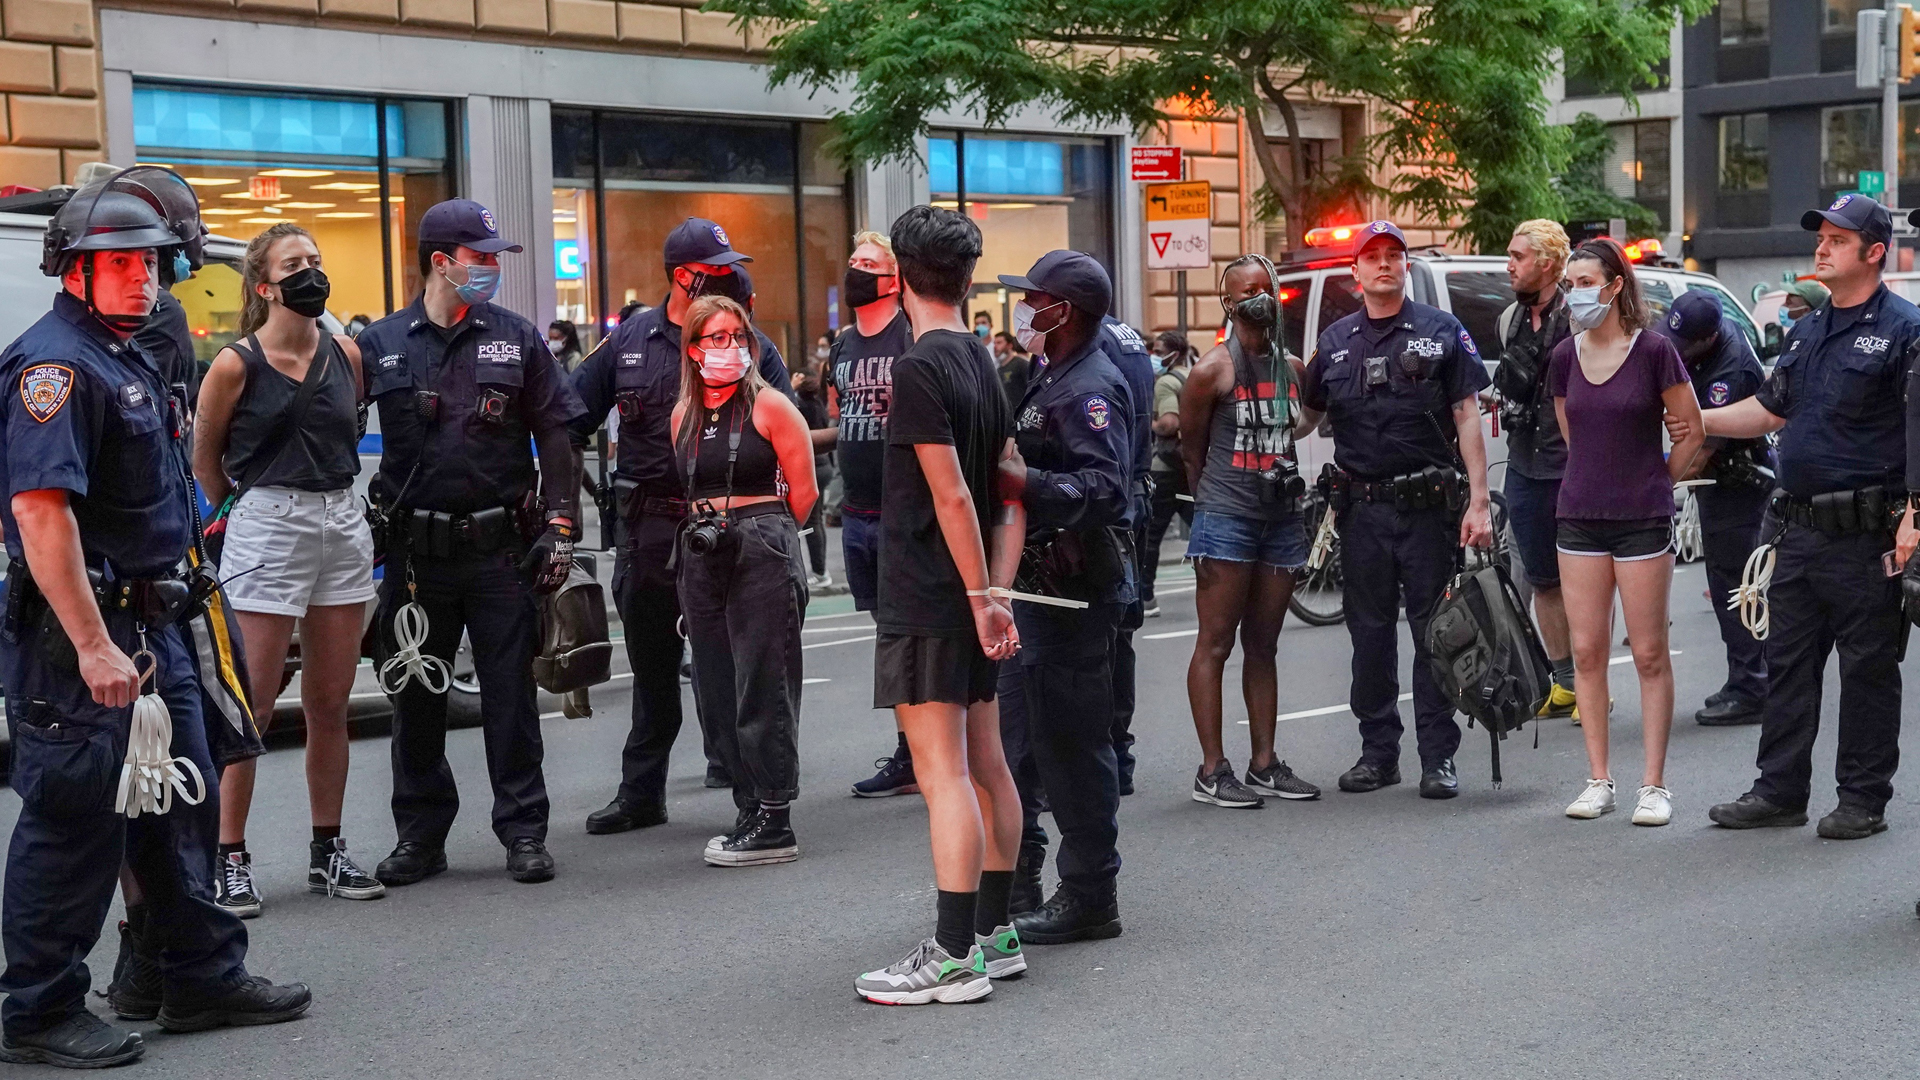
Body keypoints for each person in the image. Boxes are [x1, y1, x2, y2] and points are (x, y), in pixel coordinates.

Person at [0, 173, 308, 1069]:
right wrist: (94, 644)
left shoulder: (127, 350)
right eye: (120, 264)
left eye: (149, 262)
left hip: (157, 626)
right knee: (74, 820)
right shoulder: (54, 367)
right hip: (85, 645)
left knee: (180, 803)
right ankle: (38, 1009)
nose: (142, 277)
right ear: (73, 271)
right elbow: (41, 514)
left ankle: (199, 975)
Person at [357, 199, 583, 887]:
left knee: (510, 697)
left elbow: (558, 435)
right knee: (416, 695)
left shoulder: (517, 339)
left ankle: (522, 830)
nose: (490, 269)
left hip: (498, 549)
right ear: (441, 263)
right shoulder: (381, 344)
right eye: (481, 258)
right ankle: (420, 837)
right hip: (415, 556)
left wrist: (560, 525)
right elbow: (331, 431)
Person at [1694, 195, 1917, 840]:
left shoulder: (1904, 329)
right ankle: (1780, 789)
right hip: (1794, 528)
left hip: (1865, 531)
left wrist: (1914, 518)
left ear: (1874, 252)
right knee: (1788, 664)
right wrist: (1697, 418)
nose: (1821, 248)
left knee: (1868, 669)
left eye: (1838, 240)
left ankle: (1862, 798)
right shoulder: (1809, 329)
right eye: (1820, 236)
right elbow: (1768, 410)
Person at [568, 217, 791, 835]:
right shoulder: (630, 340)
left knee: (729, 670)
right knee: (652, 668)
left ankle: (755, 800)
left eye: (729, 270)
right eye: (713, 270)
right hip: (648, 530)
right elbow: (568, 412)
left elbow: (784, 426)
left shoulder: (744, 342)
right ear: (681, 276)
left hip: (722, 527)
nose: (725, 280)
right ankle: (642, 793)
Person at [855, 204, 1025, 1004]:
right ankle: (995, 935)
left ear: (899, 274)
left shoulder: (920, 366)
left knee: (943, 774)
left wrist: (979, 595)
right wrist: (993, 590)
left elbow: (955, 495)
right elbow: (1005, 493)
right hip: (966, 588)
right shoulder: (982, 359)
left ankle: (954, 955)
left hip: (931, 592)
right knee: (986, 764)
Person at [191, 223, 381, 916]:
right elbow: (206, 464)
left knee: (332, 702)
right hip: (269, 523)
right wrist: (250, 511)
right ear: (264, 285)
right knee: (253, 705)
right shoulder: (235, 365)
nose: (311, 273)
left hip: (339, 518)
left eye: (317, 260)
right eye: (294, 264)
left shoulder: (348, 355)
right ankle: (229, 855)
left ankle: (326, 847)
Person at [1296, 220, 1493, 799]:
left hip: (1428, 509)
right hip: (1361, 512)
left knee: (1437, 632)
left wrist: (1478, 501)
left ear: (1405, 267)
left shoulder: (1441, 331)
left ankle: (1438, 758)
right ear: (1354, 272)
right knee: (1369, 637)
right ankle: (1378, 754)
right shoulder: (1333, 342)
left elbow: (1466, 415)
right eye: (1372, 257)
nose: (1384, 264)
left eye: (1394, 256)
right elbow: (1307, 416)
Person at [994, 249, 1135, 942]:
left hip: (1072, 589)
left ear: (1063, 311)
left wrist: (1026, 486)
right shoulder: (1053, 372)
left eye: (1033, 299)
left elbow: (1104, 490)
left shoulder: (1088, 387)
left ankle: (1089, 894)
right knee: (1026, 740)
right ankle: (1023, 878)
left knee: (1074, 746)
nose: (1024, 309)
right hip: (1038, 588)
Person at [1549, 238, 1703, 826]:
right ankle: (1598, 779)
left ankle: (1654, 784)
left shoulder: (1655, 351)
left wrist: (1656, 483)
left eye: (1585, 281)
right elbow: (1574, 434)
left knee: (1647, 652)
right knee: (1586, 651)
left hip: (1642, 518)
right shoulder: (1564, 356)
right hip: (1579, 516)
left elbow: (1690, 430)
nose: (1574, 293)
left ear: (1614, 286)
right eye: (1569, 283)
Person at [671, 296, 818, 865]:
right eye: (715, 337)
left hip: (761, 540)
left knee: (764, 681)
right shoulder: (682, 414)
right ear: (693, 349)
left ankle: (775, 814)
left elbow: (801, 494)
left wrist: (765, 539)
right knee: (715, 683)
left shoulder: (772, 406)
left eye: (737, 335)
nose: (729, 347)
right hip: (702, 547)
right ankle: (747, 805)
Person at [1178, 254, 1322, 809]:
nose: (1258, 297)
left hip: (1281, 521)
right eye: (1247, 291)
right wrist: (1212, 499)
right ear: (1228, 302)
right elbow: (1191, 449)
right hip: (1227, 518)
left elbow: (1298, 428)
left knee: (1264, 644)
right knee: (1214, 643)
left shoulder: (1291, 367)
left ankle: (1265, 763)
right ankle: (1213, 770)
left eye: (1266, 288)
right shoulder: (1210, 371)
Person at [818, 231, 919, 798]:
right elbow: (849, 419)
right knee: (888, 635)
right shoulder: (844, 343)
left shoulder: (912, 334)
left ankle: (929, 754)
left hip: (902, 512)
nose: (854, 269)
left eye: (867, 263)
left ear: (895, 278)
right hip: (856, 512)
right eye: (852, 259)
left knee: (911, 637)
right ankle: (911, 754)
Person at [1652, 289, 1772, 727]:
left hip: (1739, 483)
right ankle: (1746, 679)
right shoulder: (1702, 335)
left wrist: (1651, 488)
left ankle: (1753, 687)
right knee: (1727, 583)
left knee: (1737, 588)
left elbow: (1698, 450)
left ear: (1709, 338)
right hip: (1720, 482)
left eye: (1686, 346)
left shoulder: (1732, 371)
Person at [1496, 219, 1579, 720]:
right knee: (1544, 581)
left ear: (1547, 264)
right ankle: (1565, 682)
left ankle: (1592, 684)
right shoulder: (1507, 319)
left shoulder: (1580, 318)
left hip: (1572, 466)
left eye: (1517, 256)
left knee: (1584, 580)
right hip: (1524, 464)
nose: (1509, 265)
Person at [1098, 315, 1153, 798]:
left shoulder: (1094, 348)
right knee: (1119, 636)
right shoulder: (1126, 338)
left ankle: (1106, 758)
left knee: (1100, 639)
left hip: (1106, 507)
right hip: (1130, 497)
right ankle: (1117, 755)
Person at [1141, 330, 1194, 617]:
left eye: (1159, 351)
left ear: (1173, 353)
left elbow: (1169, 424)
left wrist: (1150, 423)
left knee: (1151, 536)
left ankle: (1146, 597)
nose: (1154, 355)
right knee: (1200, 529)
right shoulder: (1195, 376)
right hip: (1189, 465)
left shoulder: (1165, 384)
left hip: (1164, 470)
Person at [792, 358, 834, 587]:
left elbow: (787, 410)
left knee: (806, 521)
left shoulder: (799, 404)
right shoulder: (817, 403)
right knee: (814, 520)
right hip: (823, 465)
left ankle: (819, 572)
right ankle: (820, 571)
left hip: (812, 466)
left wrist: (792, 387)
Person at [994, 331, 1030, 409]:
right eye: (994, 343)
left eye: (999, 343)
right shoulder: (998, 369)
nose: (995, 347)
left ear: (1009, 345)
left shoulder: (1021, 364)